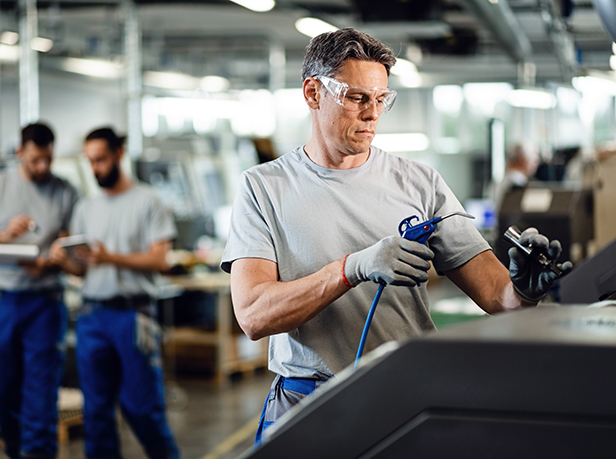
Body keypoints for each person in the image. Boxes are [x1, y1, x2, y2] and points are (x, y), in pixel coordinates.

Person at [219, 27, 573, 445]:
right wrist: (350, 269)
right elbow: (254, 315)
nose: (372, 114)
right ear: (313, 93)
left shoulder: (420, 184)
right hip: (305, 401)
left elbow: (499, 296)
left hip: (403, 395)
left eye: (381, 99)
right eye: (357, 98)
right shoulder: (263, 187)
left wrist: (524, 292)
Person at [49, 127, 179, 459]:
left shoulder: (148, 202)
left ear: (119, 155)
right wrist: (64, 261)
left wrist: (111, 257)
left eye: (101, 160)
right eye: (90, 162)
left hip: (133, 316)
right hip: (92, 315)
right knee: (96, 413)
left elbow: (161, 259)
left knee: (142, 408)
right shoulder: (85, 208)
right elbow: (82, 269)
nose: (95, 168)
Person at [0, 122, 79, 459]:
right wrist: (3, 235)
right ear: (20, 153)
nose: (42, 167)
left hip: (45, 303)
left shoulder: (65, 191)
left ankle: (38, 453)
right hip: (1, 301)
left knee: (41, 393)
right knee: (4, 390)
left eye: (47, 160)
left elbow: (73, 245)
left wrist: (57, 257)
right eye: (34, 161)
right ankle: (16, 451)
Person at [491, 143, 540, 211]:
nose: (536, 166)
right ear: (522, 159)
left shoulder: (498, 184)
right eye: (534, 161)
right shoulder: (517, 185)